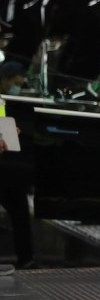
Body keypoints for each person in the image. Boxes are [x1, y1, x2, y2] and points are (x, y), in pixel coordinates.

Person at [0, 60, 34, 269]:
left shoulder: (8, 102)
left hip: (8, 168)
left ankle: (26, 259)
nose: (18, 88)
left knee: (20, 212)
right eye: (15, 83)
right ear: (4, 80)